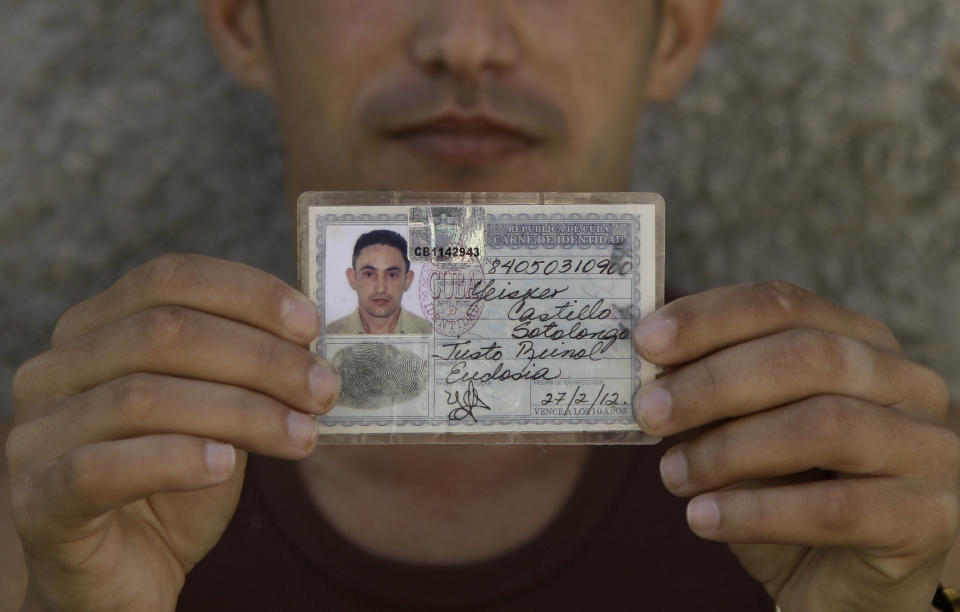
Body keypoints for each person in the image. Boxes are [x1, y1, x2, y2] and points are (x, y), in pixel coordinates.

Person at [2, 0, 958, 610]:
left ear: (673, 34)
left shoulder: (884, 498)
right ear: (244, 21)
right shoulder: (60, 508)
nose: (464, 40)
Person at [326, 229, 433, 335]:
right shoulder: (329, 334)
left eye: (392, 275)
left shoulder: (429, 333)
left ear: (407, 280)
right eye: (369, 274)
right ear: (352, 278)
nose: (381, 288)